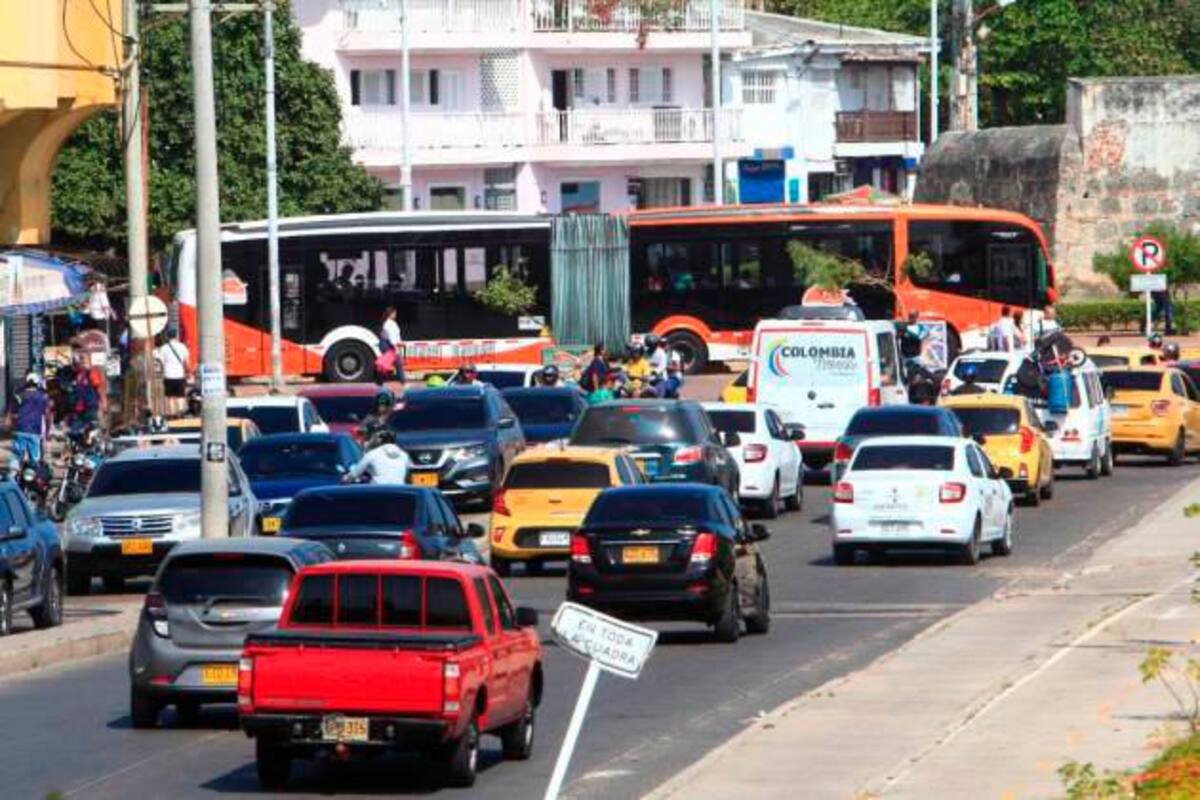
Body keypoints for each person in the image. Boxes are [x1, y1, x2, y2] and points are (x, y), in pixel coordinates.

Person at [9, 373, 51, 469]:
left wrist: (12, 426)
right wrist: (47, 430)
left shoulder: (20, 395)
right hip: (35, 430)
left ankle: (12, 475)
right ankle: (34, 474)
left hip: (20, 429)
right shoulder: (42, 397)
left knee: (16, 457)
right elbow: (47, 414)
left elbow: (12, 413)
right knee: (35, 459)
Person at [345, 429, 410, 485]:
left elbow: (353, 475)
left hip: (378, 491)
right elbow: (407, 474)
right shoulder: (404, 455)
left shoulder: (372, 454)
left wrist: (345, 479)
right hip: (399, 491)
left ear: (379, 441)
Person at [154, 330, 190, 416]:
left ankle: (172, 413)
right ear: (176, 336)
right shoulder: (182, 347)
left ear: (168, 337)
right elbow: (187, 361)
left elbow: (160, 362)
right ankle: (180, 411)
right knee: (180, 395)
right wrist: (188, 371)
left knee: (170, 396)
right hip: (179, 374)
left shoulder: (164, 348)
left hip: (168, 374)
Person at [378, 307, 405, 383]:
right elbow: (391, 336)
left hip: (388, 344)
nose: (395, 315)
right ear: (390, 314)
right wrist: (395, 346)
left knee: (388, 362)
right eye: (394, 313)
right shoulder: (388, 324)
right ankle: (402, 379)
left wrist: (399, 342)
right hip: (387, 344)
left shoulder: (392, 323)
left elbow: (396, 335)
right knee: (397, 361)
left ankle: (381, 378)